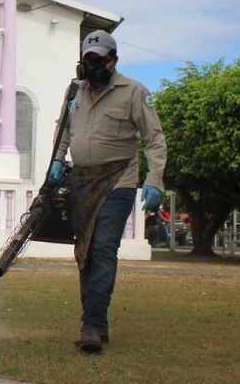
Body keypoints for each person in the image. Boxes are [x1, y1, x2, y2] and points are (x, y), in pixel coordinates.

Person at [50, 29, 167, 353]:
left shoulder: (133, 92)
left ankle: (91, 325)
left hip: (119, 179)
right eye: (87, 61)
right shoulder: (75, 90)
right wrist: (57, 162)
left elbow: (154, 139)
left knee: (102, 248)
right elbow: (64, 131)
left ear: (112, 60)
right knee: (85, 254)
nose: (91, 67)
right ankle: (96, 323)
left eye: (97, 61)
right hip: (82, 181)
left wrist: (154, 180)